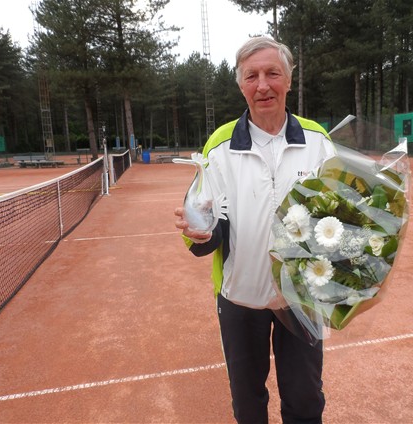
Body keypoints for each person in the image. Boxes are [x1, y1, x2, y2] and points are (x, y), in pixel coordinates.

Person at [174, 36, 335, 424]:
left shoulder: (319, 141)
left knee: (305, 401)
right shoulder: (219, 146)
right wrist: (199, 232)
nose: (263, 85)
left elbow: (338, 216)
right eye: (252, 76)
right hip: (240, 299)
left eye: (272, 73)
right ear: (242, 85)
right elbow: (204, 222)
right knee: (247, 405)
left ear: (289, 80)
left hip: (301, 301)